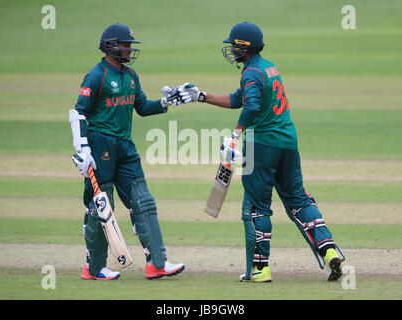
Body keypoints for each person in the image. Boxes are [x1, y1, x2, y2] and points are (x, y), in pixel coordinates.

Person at [177, 22, 345, 282]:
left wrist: (236, 135)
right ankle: (330, 250)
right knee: (298, 199)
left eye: (234, 45)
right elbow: (239, 99)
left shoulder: (251, 73)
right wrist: (201, 96)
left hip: (261, 144)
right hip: (287, 140)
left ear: (245, 47)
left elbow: (252, 105)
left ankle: (260, 268)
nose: (231, 49)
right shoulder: (267, 67)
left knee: (258, 206)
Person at [69, 23, 185, 280]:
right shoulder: (96, 75)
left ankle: (157, 263)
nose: (129, 49)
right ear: (111, 45)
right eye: (125, 44)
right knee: (101, 204)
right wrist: (82, 148)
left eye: (130, 45)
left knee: (143, 201)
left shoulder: (130, 76)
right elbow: (79, 112)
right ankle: (94, 266)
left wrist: (167, 102)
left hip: (125, 145)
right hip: (100, 143)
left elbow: (142, 107)